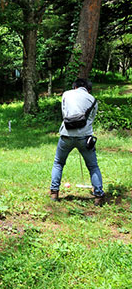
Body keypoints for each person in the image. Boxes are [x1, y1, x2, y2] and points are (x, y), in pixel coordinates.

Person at [50, 78, 105, 206]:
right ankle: (98, 196)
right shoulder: (93, 100)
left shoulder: (66, 94)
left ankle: (54, 193)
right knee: (93, 166)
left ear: (74, 86)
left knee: (58, 163)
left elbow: (65, 115)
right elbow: (91, 119)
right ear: (88, 89)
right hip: (85, 138)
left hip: (66, 135)